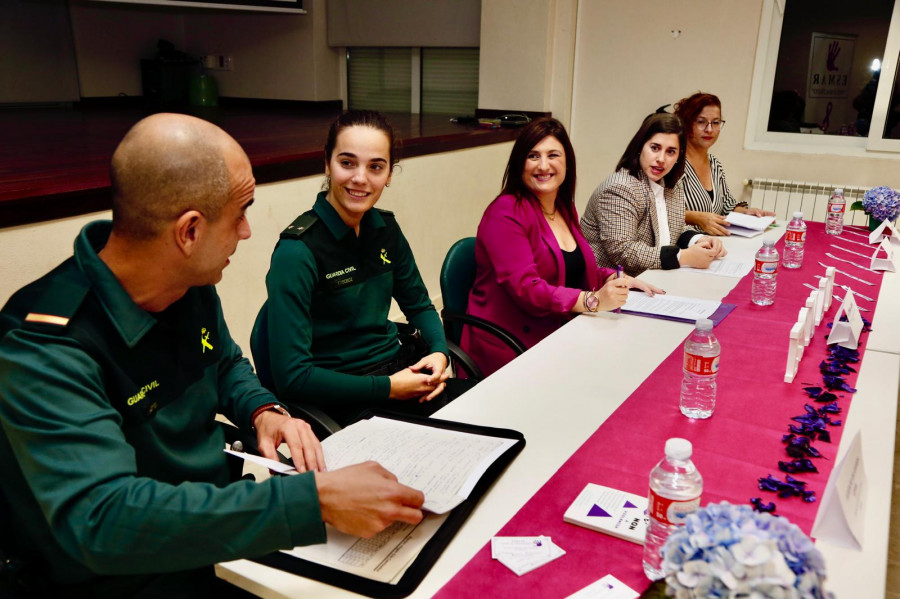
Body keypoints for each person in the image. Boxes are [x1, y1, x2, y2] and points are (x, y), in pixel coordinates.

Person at [0, 113, 425, 598]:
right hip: (126, 575)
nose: (246, 232)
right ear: (189, 232)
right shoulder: (45, 346)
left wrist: (263, 411)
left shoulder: (189, 282)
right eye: (240, 212)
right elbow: (105, 519)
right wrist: (313, 501)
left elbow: (224, 364)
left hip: (216, 531)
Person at [264, 110, 454, 426]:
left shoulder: (386, 229)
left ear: (389, 174)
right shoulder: (296, 251)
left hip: (398, 372)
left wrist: (438, 353)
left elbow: (420, 306)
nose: (360, 178)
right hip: (343, 401)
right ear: (327, 162)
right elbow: (293, 377)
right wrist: (388, 389)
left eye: (375, 166)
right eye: (347, 163)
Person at [460, 118, 663, 377]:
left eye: (553, 155)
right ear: (520, 163)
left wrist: (614, 278)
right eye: (533, 156)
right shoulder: (505, 212)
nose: (543, 165)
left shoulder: (562, 208)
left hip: (559, 331)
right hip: (513, 346)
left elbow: (572, 268)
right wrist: (593, 300)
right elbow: (526, 288)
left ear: (567, 162)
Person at [581, 112, 727, 277]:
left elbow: (673, 228)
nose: (661, 159)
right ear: (640, 147)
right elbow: (623, 251)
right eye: (655, 148)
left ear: (679, 156)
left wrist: (699, 240)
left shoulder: (672, 184)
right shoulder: (620, 188)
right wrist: (683, 256)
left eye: (671, 152)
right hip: (608, 285)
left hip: (652, 278)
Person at [673, 92, 775, 235]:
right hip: (684, 246)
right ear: (687, 123)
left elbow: (727, 204)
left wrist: (746, 213)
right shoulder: (673, 163)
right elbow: (660, 211)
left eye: (715, 122)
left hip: (716, 244)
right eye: (701, 122)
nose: (709, 129)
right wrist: (696, 218)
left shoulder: (714, 164)